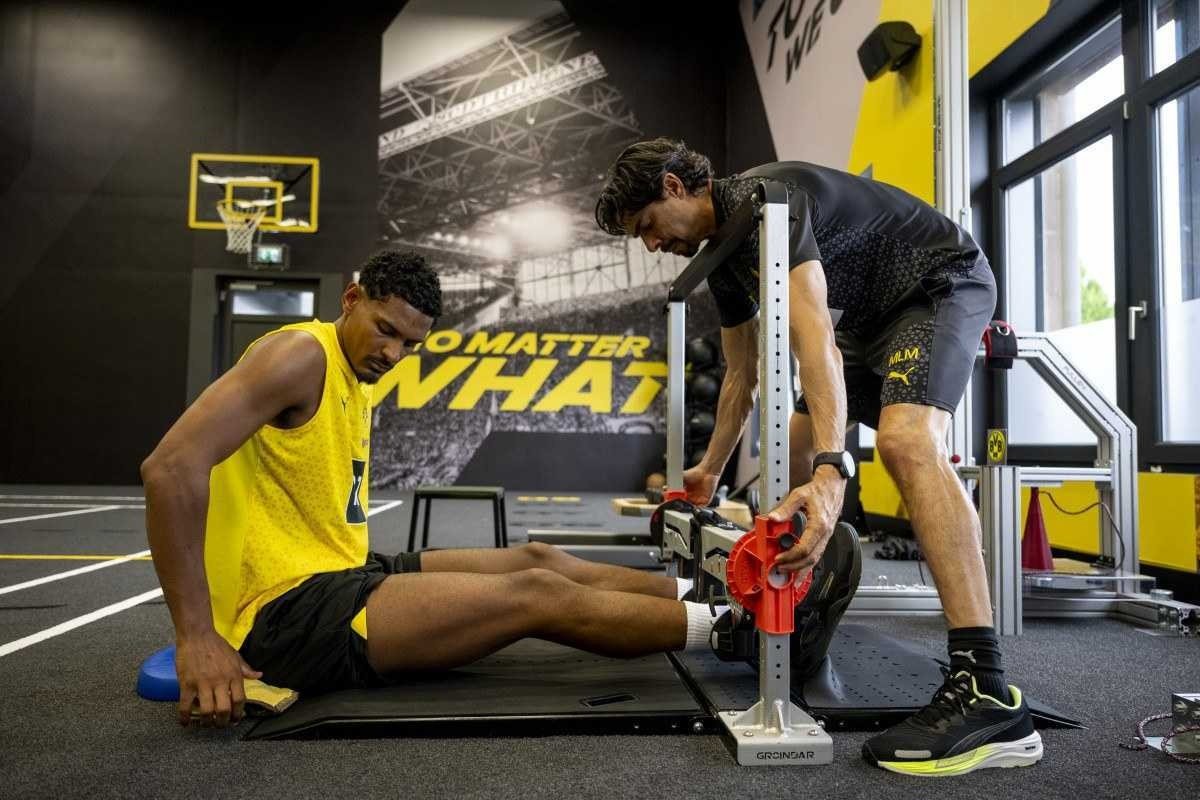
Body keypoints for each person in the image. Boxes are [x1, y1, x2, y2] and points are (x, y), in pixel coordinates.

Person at [142, 249, 843, 730]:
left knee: (539, 558)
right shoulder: (299, 354)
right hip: (283, 615)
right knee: (535, 599)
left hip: (335, 574)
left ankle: (721, 592)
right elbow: (171, 468)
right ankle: (741, 633)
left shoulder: (356, 375)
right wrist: (197, 637)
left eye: (410, 344)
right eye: (384, 330)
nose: (392, 353)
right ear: (350, 298)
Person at [594, 138, 1042, 776]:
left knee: (904, 441)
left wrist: (833, 474)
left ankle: (986, 689)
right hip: (873, 317)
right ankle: (800, 606)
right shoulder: (722, 255)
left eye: (647, 227)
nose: (650, 244)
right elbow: (741, 376)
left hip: (939, 283)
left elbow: (816, 343)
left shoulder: (771, 200)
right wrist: (708, 473)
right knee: (798, 442)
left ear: (673, 188)